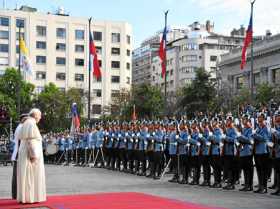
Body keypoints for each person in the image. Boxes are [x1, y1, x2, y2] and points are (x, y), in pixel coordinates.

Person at [17, 108, 46, 203]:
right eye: (40, 116)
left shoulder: (26, 122)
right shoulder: (31, 123)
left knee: (26, 175)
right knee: (30, 176)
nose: (40, 118)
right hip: (29, 154)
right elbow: (31, 141)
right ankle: (30, 198)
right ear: (36, 115)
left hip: (24, 151)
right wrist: (33, 156)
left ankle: (24, 197)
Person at [11, 113, 28, 199]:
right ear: (23, 119)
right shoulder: (21, 127)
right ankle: (17, 195)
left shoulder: (20, 127)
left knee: (16, 176)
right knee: (18, 176)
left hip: (17, 153)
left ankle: (15, 194)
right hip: (18, 154)